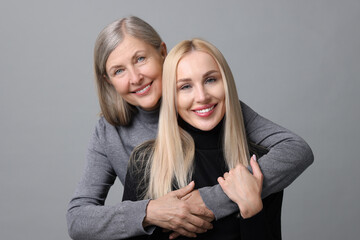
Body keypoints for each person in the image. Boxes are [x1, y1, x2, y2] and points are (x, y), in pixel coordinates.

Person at [66, 16, 313, 240]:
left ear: (162, 52)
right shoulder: (123, 144)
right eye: (119, 71)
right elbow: (78, 219)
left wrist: (213, 200)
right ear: (108, 81)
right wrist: (151, 211)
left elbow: (295, 150)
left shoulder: (209, 108)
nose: (135, 77)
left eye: (140, 59)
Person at [122, 38, 284, 239]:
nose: (202, 96)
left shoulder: (260, 162)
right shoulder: (145, 162)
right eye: (185, 87)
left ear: (227, 84)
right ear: (172, 97)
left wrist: (252, 211)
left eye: (210, 80)